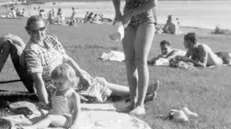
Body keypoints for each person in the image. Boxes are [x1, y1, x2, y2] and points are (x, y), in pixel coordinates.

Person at [22, 16, 158, 108]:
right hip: (56, 85)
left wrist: (80, 73)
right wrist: (46, 103)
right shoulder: (32, 50)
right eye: (34, 31)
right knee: (98, 85)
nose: (39, 34)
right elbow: (38, 80)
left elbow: (67, 59)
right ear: (28, 31)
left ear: (45, 27)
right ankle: (138, 95)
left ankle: (138, 95)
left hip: (69, 77)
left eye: (42, 29)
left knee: (97, 82)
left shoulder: (51, 40)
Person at [104, 0, 158, 116]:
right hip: (128, 18)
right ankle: (133, 101)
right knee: (129, 61)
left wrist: (130, 13)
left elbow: (153, 1)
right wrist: (118, 13)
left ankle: (141, 105)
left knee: (140, 60)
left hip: (145, 18)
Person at [21, 64, 81, 129]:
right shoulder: (54, 92)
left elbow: (77, 111)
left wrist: (75, 124)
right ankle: (17, 122)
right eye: (55, 83)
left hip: (65, 119)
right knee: (38, 119)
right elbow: (52, 106)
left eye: (60, 83)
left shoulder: (72, 95)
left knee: (50, 118)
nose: (57, 85)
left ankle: (33, 128)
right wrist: (45, 106)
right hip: (54, 115)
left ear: (70, 81)